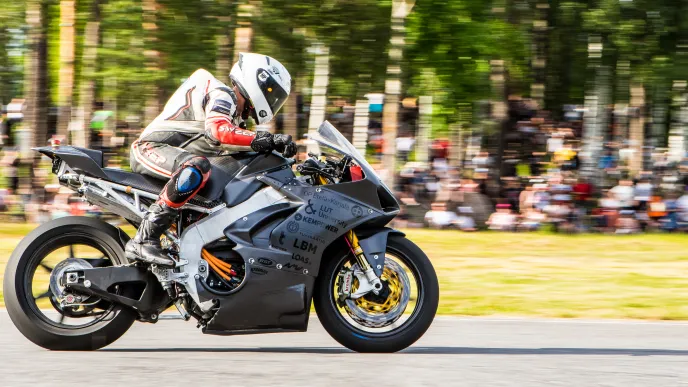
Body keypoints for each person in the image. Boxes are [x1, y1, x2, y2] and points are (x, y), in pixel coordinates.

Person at [126, 53, 296, 266]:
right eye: (272, 93)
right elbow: (219, 131)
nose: (273, 101)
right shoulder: (223, 95)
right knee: (197, 167)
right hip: (150, 148)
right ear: (257, 82)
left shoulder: (233, 113)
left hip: (174, 156)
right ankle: (144, 239)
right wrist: (269, 140)